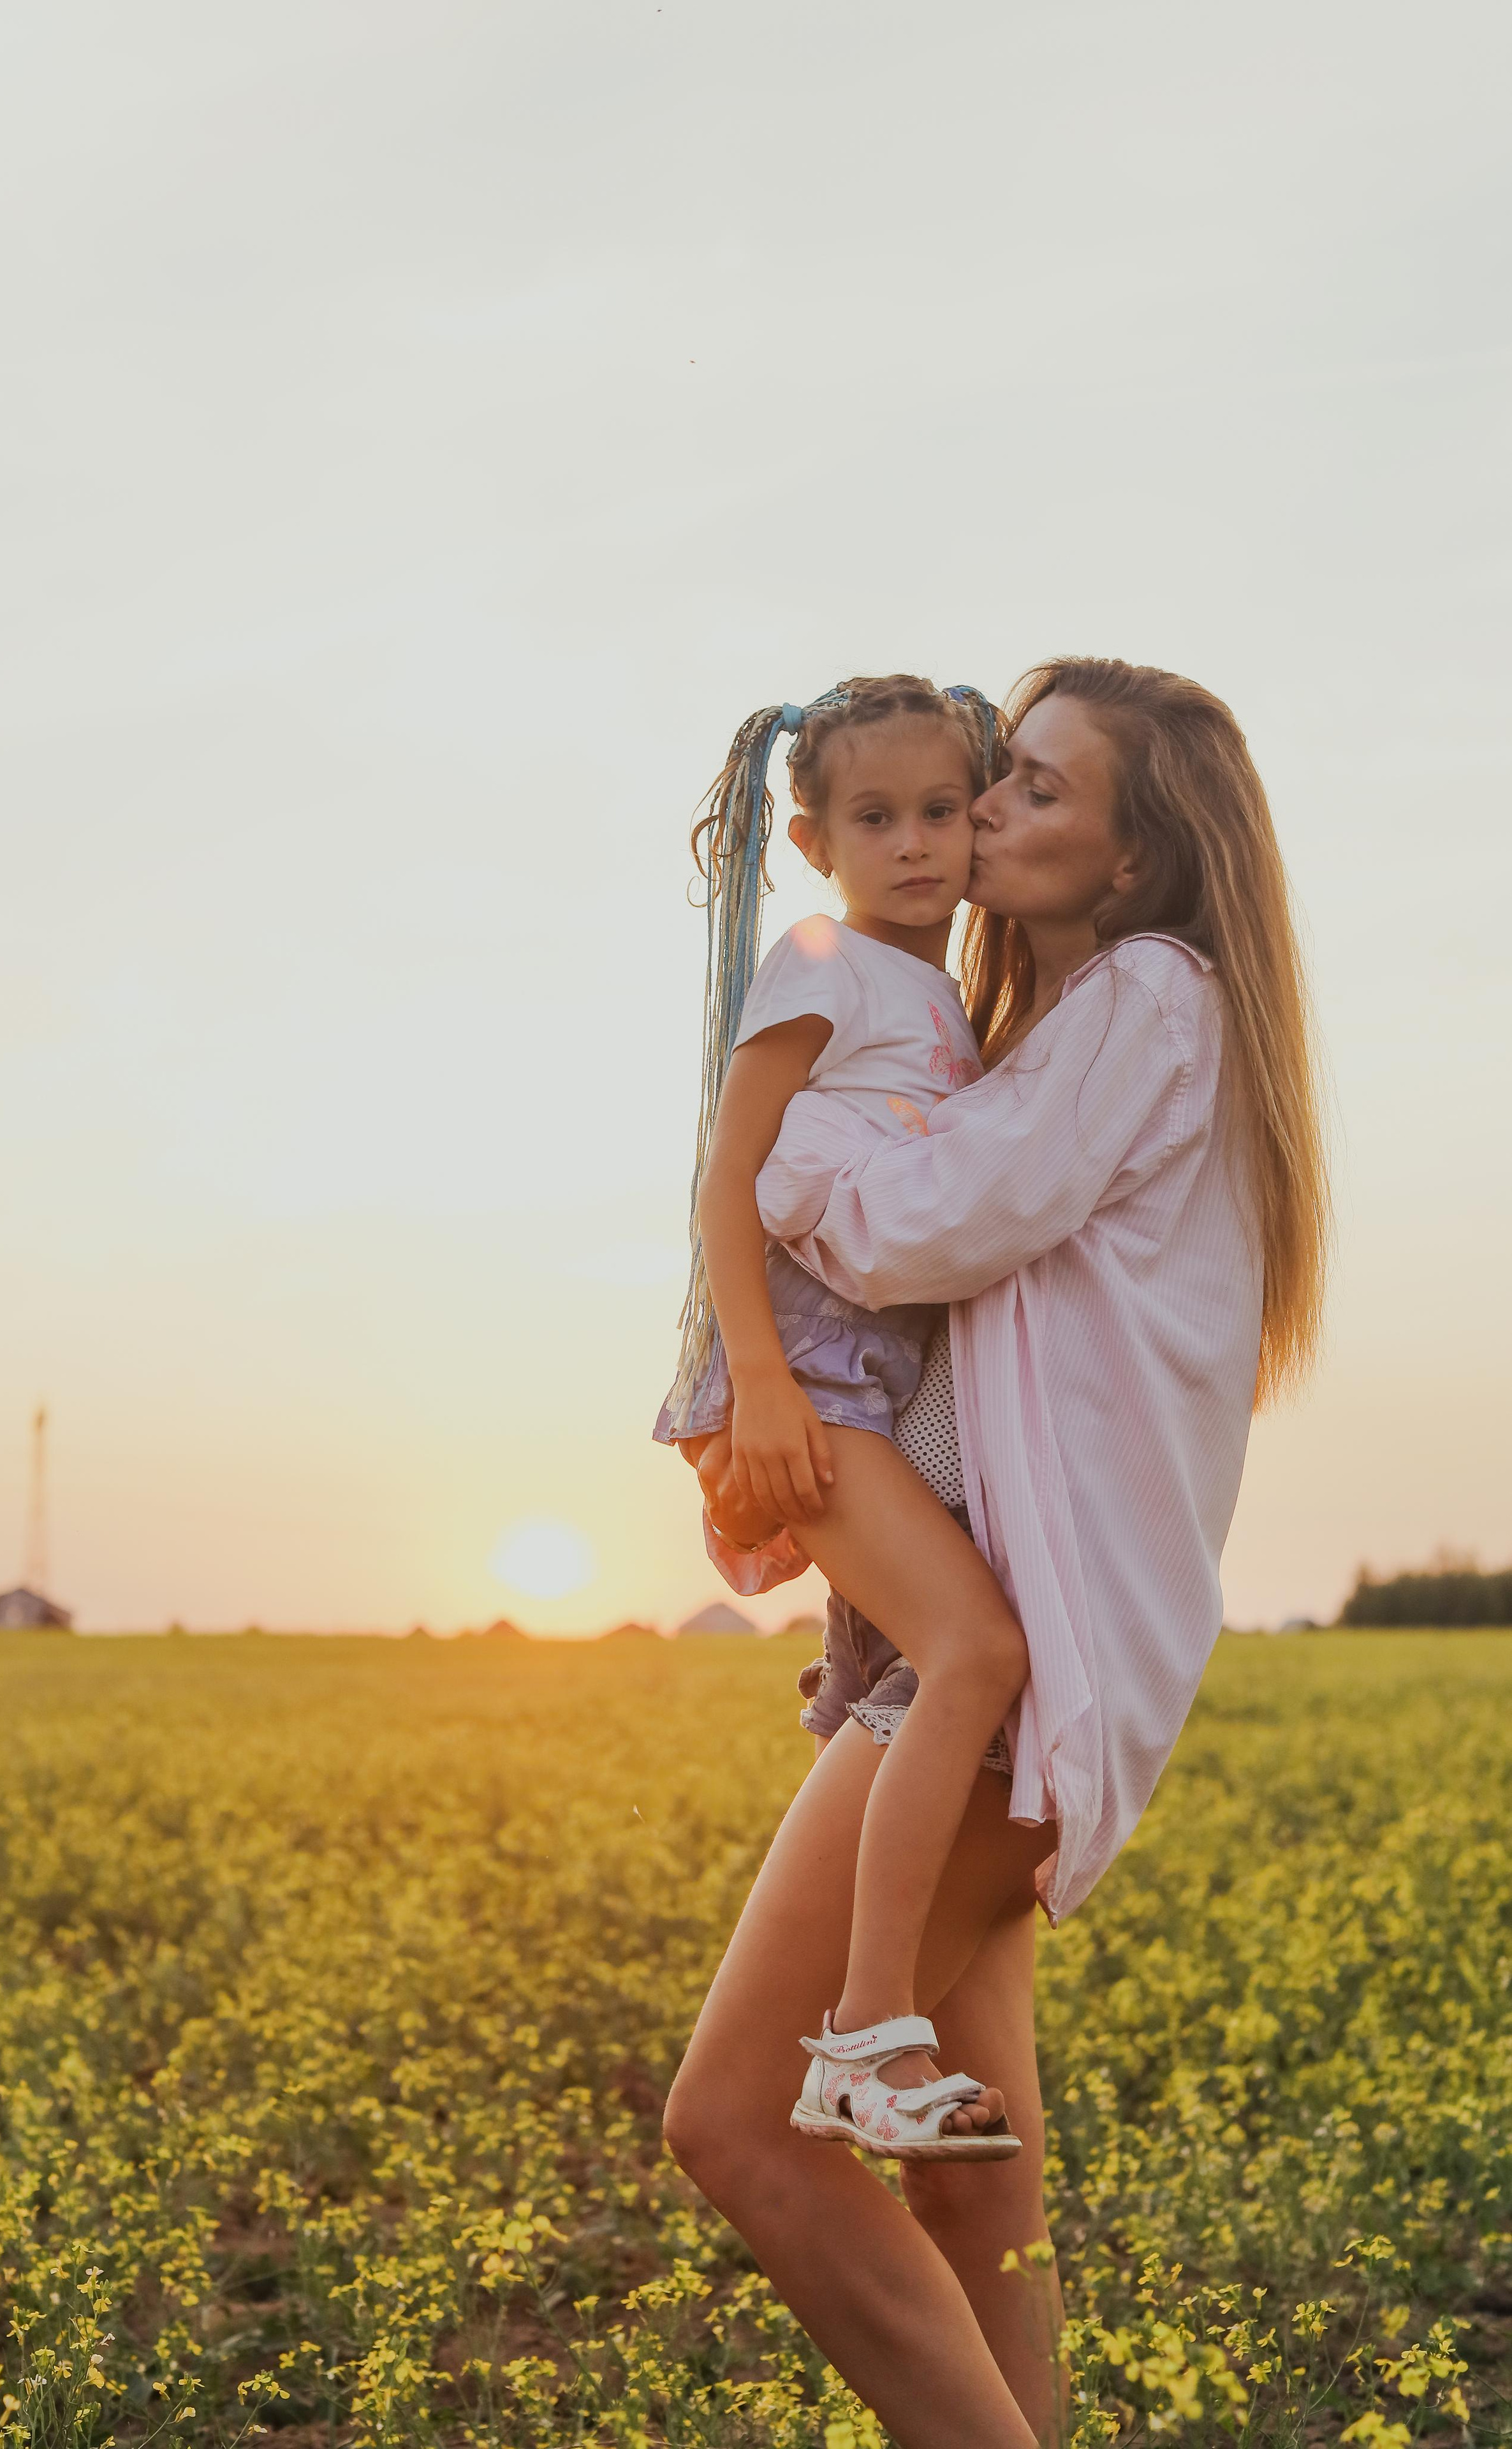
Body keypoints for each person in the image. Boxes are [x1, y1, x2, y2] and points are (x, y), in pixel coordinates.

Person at [662, 658, 1330, 2449]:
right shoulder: (1047, 1033)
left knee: (732, 2129)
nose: (980, 819)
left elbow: (932, 1226)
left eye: (1027, 788)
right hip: (1008, 1648)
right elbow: (977, 1342)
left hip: (1017, 1663)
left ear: (1132, 857)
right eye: (984, 786)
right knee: (977, 2197)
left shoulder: (1154, 997)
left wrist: (766, 1170)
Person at [655, 672, 1034, 2163]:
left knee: (930, 1666)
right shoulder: (822, 958)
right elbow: (725, 1178)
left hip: (862, 1386)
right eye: (874, 817)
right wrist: (754, 1381)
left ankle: (885, 2023)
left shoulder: (938, 996)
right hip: (797, 1376)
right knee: (975, 1651)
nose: (917, 842)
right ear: (811, 843)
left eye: (943, 810)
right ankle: (867, 2036)